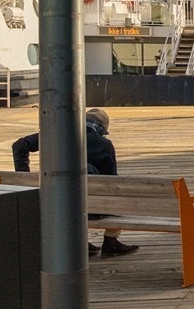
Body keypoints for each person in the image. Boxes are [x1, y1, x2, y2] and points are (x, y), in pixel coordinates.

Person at [12, 108, 137, 256]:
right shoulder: (104, 145)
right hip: (92, 208)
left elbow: (19, 146)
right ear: (102, 128)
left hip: (55, 205)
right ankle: (111, 242)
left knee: (68, 195)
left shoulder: (56, 134)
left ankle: (78, 242)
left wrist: (23, 175)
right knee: (117, 196)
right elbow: (110, 183)